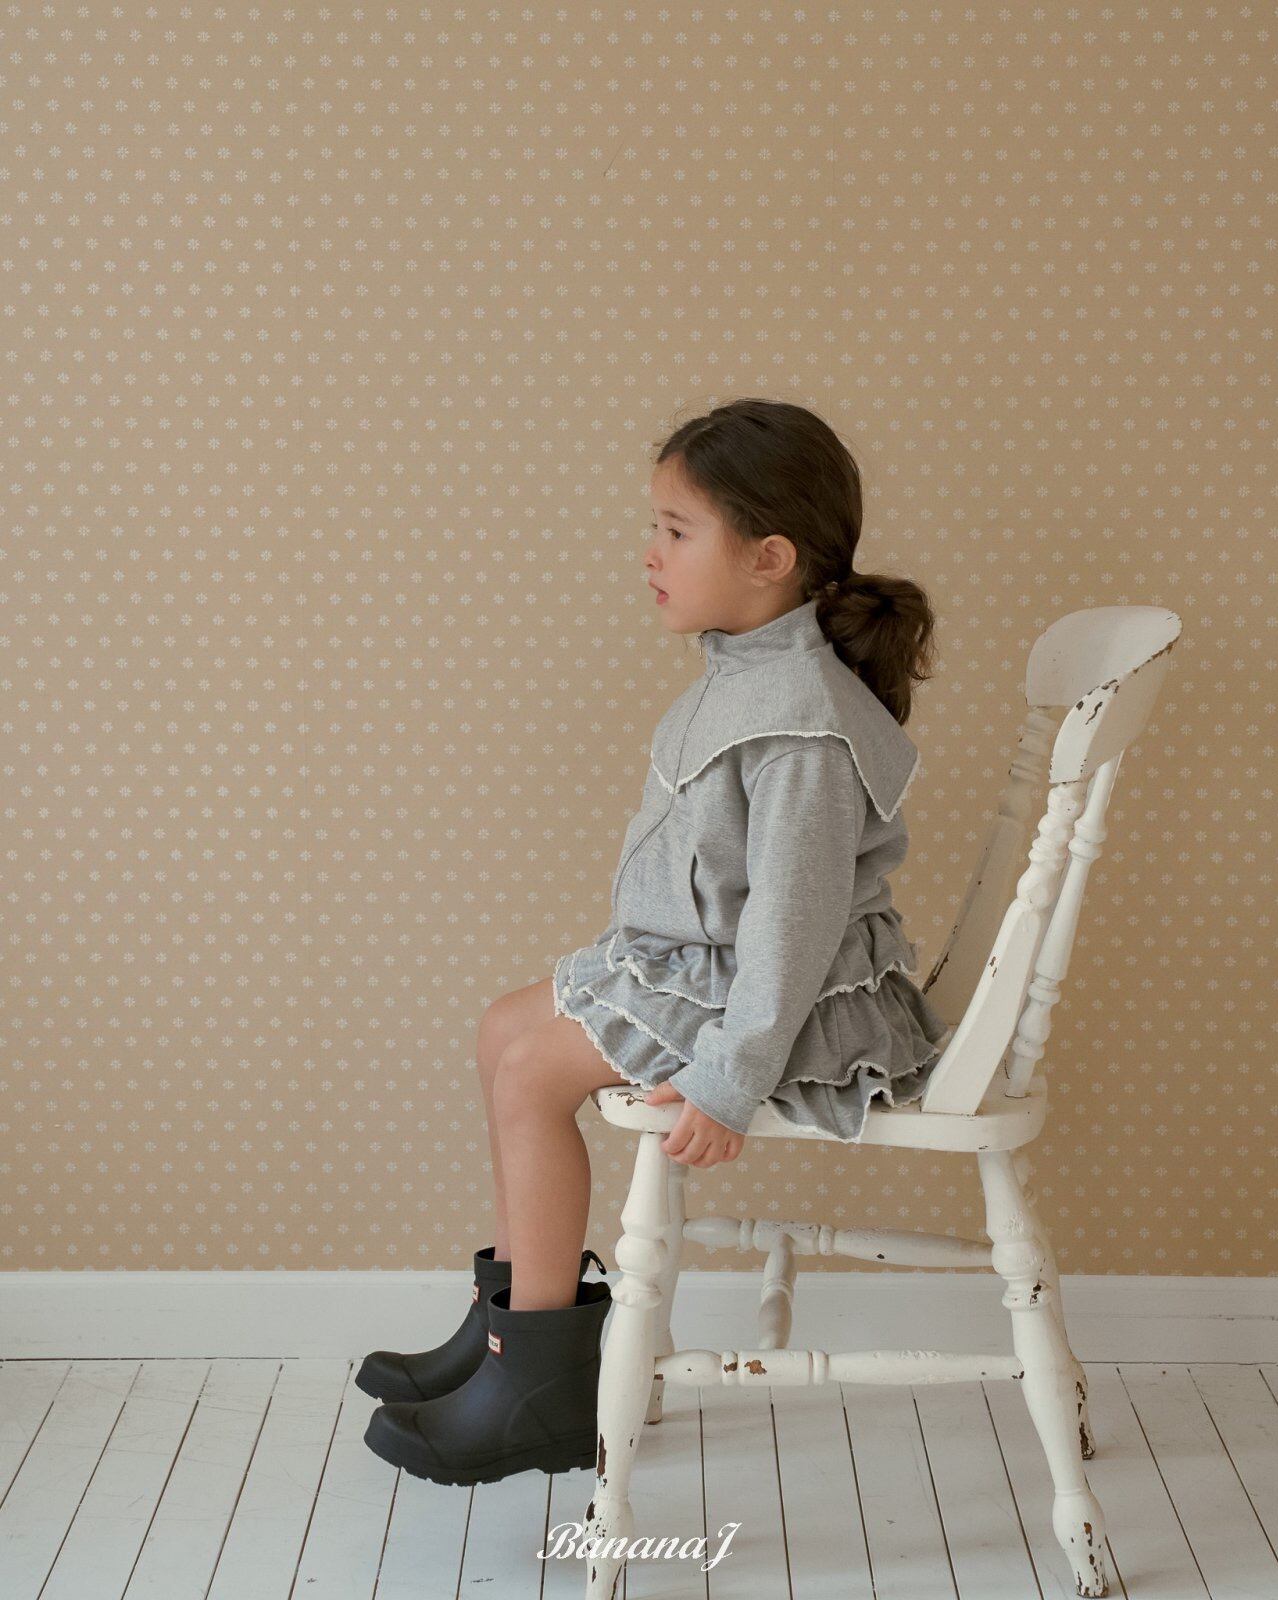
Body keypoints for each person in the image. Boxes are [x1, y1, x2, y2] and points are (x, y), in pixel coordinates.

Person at [360, 397, 953, 1488]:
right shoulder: (748, 674)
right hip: (716, 967)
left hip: (780, 1002)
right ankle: (509, 1321)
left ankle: (534, 1383)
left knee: (533, 1074)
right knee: (502, 1030)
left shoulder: (801, 721)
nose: (650, 553)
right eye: (655, 527)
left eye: (677, 530)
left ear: (769, 557)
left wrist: (729, 1077)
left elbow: (791, 926)